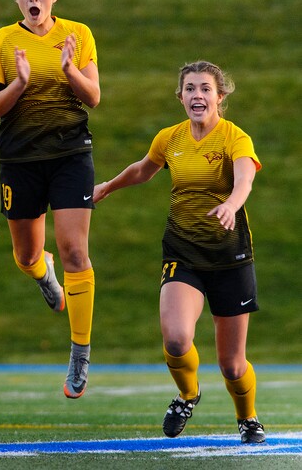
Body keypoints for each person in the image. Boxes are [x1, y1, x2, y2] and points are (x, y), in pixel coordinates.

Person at [93, 61, 265, 444]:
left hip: (229, 257)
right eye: (190, 89)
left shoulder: (235, 138)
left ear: (220, 97)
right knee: (174, 339)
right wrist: (108, 186)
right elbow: (142, 170)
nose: (197, 95)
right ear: (180, 96)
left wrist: (231, 205)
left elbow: (244, 179)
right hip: (182, 252)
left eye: (205, 89)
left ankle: (248, 417)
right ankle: (188, 394)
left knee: (233, 366)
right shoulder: (170, 138)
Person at [0, 0, 101, 399]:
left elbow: (94, 96)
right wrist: (21, 84)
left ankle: (80, 353)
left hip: (71, 154)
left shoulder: (78, 34)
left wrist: (70, 70)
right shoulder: (1, 40)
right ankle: (41, 273)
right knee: (26, 253)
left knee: (75, 250)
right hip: (20, 158)